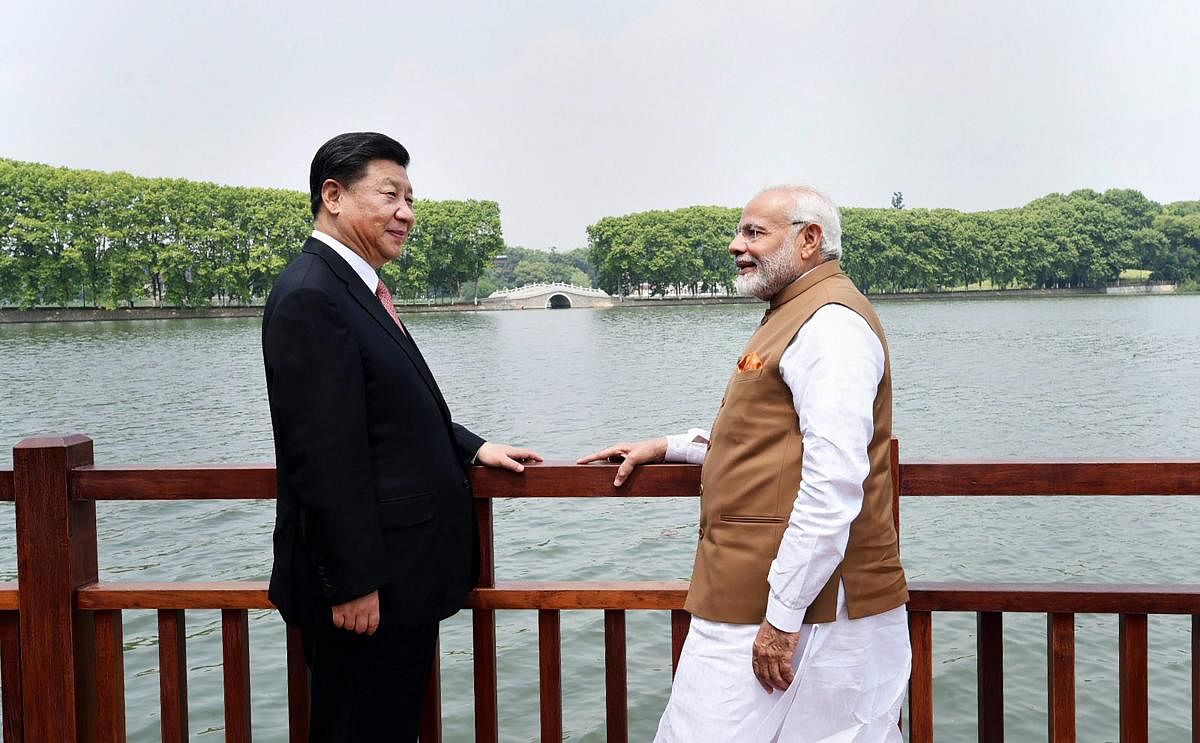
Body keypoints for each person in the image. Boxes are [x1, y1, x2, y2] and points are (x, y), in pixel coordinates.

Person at [579, 186, 910, 741]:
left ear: (809, 240)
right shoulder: (797, 313)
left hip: (798, 606)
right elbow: (773, 447)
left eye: (755, 232)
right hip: (781, 600)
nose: (737, 246)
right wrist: (671, 446)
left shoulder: (830, 326)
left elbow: (833, 482)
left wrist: (782, 618)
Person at [262, 132, 541, 742]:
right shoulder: (314, 294)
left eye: (411, 198)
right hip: (367, 595)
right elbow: (323, 454)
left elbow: (387, 411)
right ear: (333, 196)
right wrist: (353, 582)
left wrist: (471, 448)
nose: (406, 214)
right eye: (390, 195)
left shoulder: (351, 287)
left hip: (395, 583)